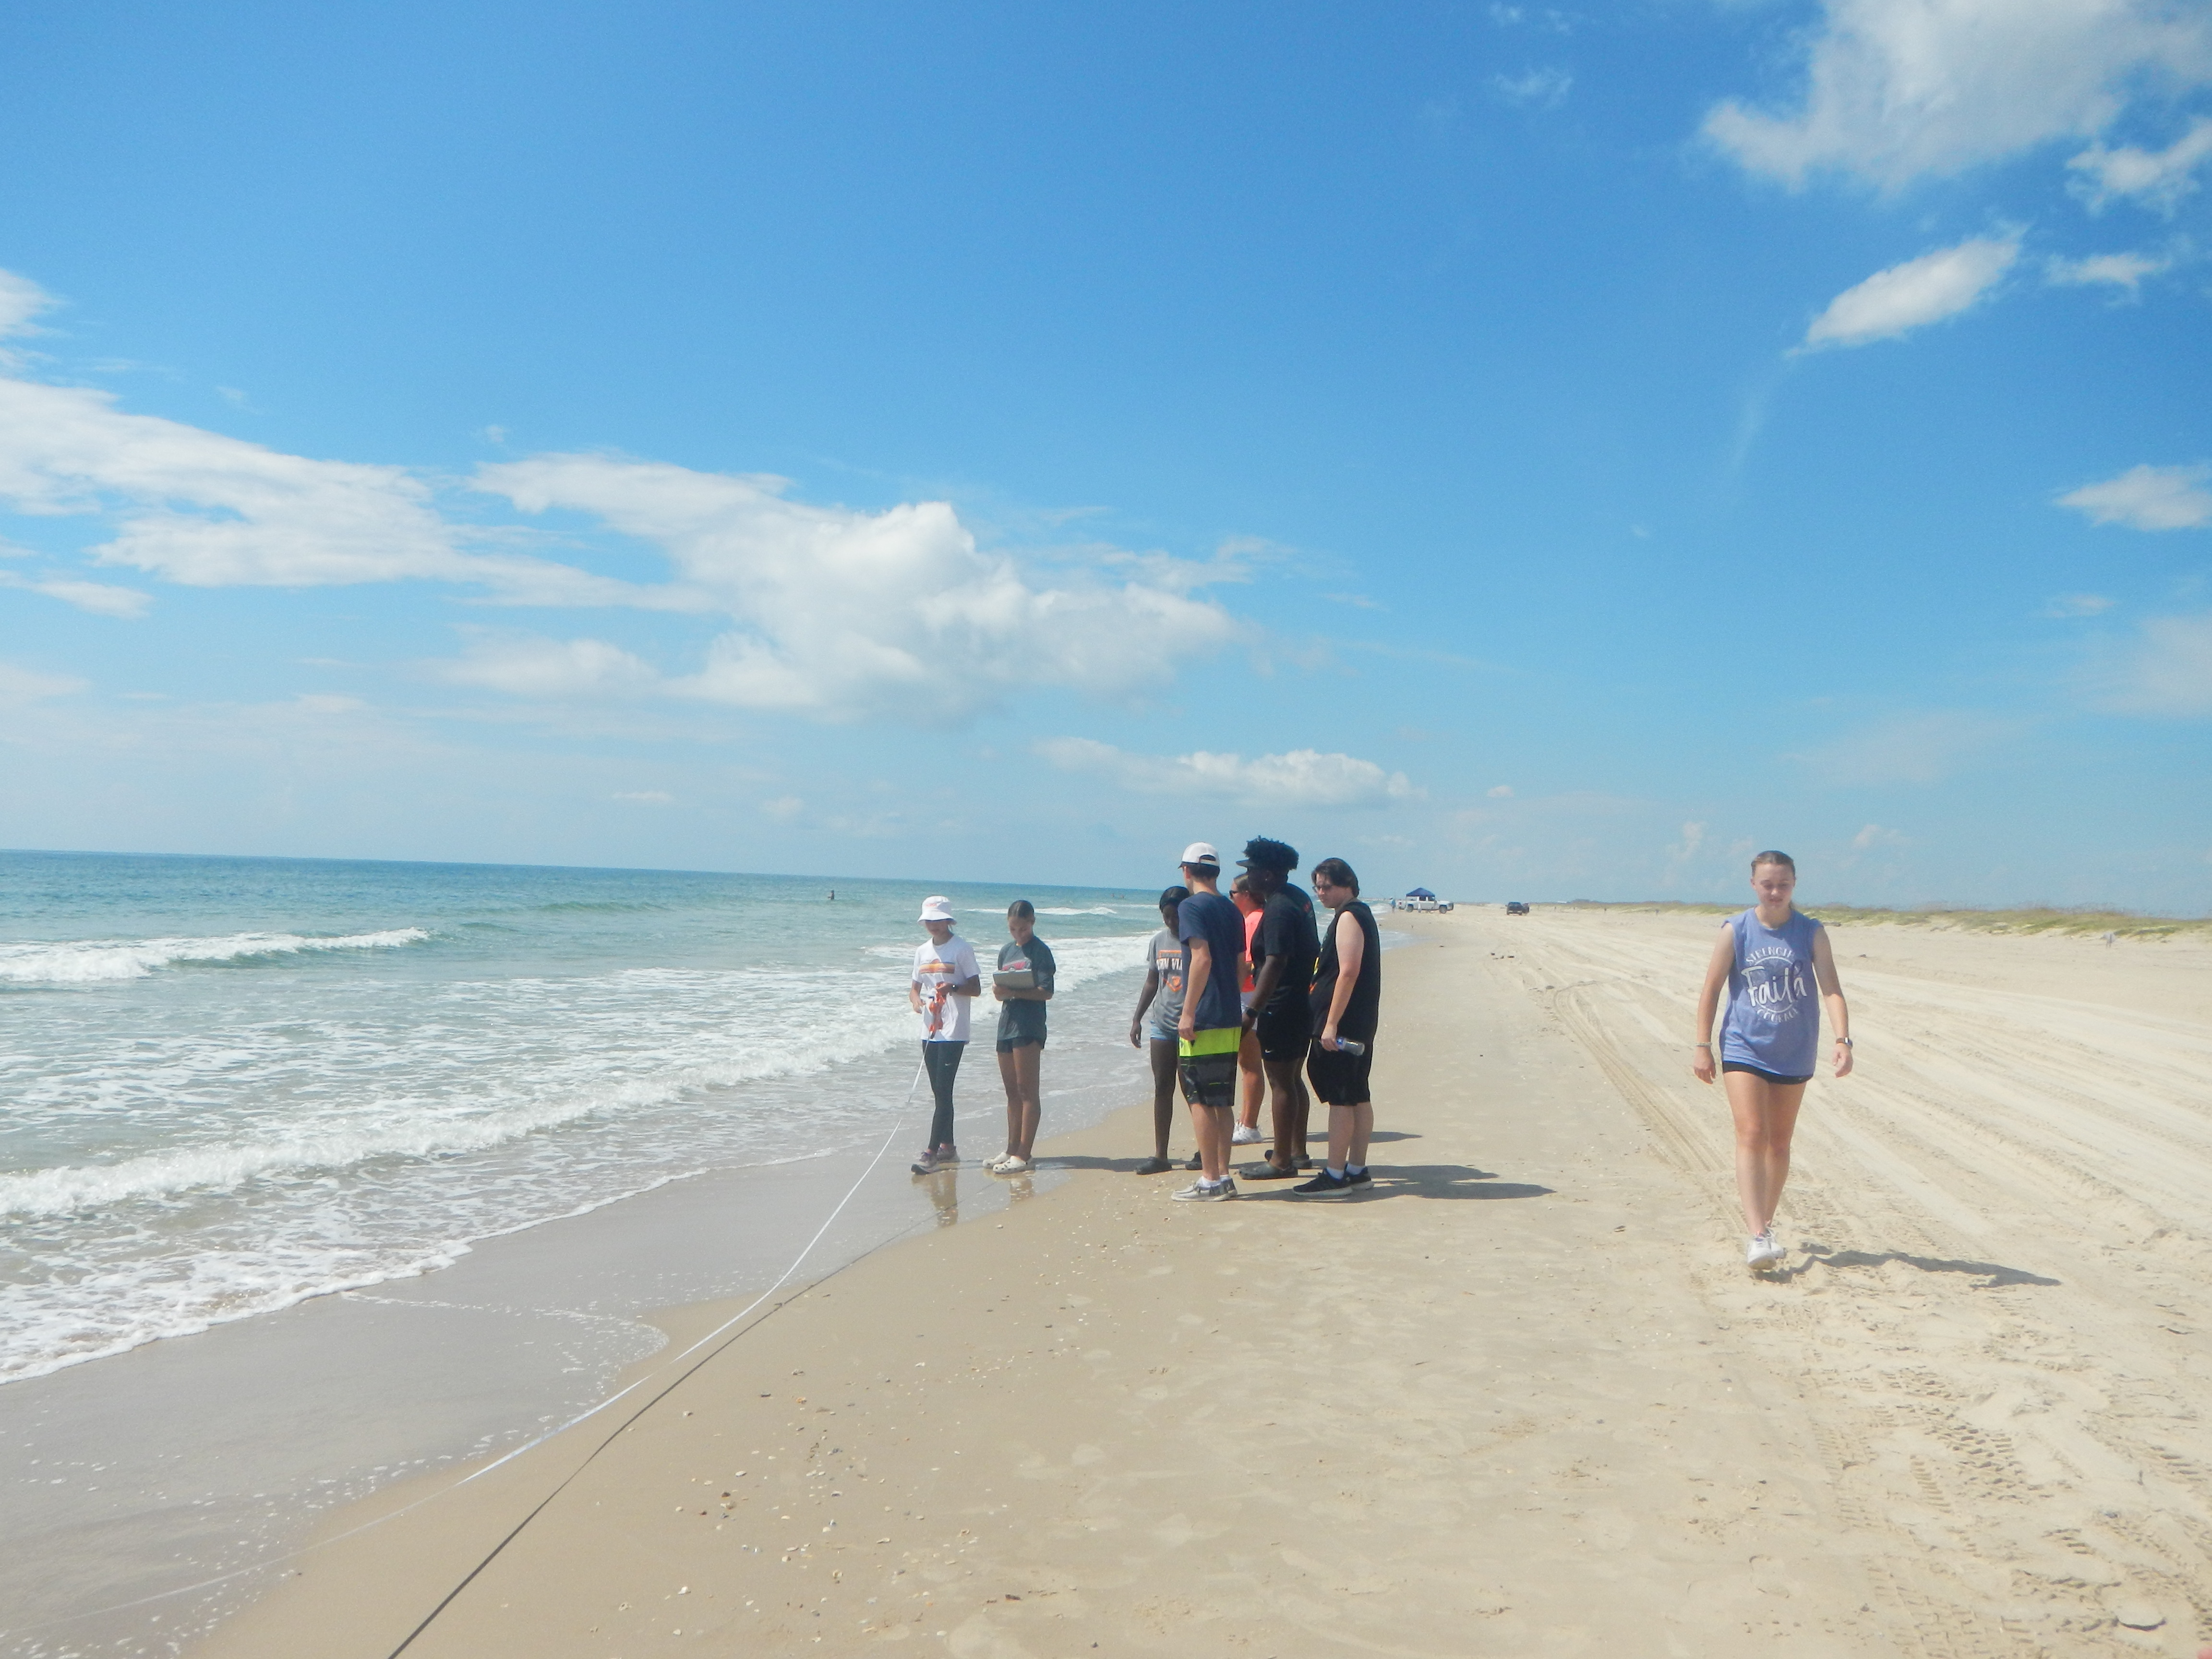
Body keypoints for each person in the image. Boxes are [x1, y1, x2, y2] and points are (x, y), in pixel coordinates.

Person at [1692, 850, 1853, 1269]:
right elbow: (1711, 989)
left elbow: (1831, 989)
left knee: (1779, 1143)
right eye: (1768, 884)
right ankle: (1757, 1235)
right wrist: (1702, 1045)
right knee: (1752, 1132)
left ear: (1794, 884)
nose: (1776, 891)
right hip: (1744, 1045)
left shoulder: (1811, 932)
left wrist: (1843, 1039)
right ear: (1754, 886)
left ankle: (1765, 1221)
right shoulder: (1737, 930)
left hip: (1794, 1048)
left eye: (1783, 884)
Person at [1292, 857, 1382, 1198]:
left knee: (1342, 1098)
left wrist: (1330, 1023)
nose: (1321, 893)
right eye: (1317, 887)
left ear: (1348, 885)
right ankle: (1357, 1169)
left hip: (1345, 1024)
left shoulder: (1349, 916)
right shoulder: (1359, 914)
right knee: (1358, 1094)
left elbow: (1348, 971)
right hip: (1359, 1022)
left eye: (1327, 886)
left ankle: (1335, 1174)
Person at [1238, 838, 1319, 1181]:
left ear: (1269, 874)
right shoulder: (1298, 898)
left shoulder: (1280, 909)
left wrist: (1252, 1011)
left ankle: (1282, 1160)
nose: (1247, 878)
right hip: (1300, 1003)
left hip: (1281, 1006)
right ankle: (1297, 1151)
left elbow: (1274, 963)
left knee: (1281, 1082)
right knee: (1292, 1079)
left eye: (1252, 871)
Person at [1171, 842, 1246, 1202]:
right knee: (1221, 1099)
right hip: (1230, 1013)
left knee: (1198, 1097)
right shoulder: (1232, 911)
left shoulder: (1191, 906)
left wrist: (1188, 1011)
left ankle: (1209, 1178)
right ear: (1215, 872)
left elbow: (1201, 959)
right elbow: (1241, 964)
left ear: (1187, 871)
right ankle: (1224, 1176)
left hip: (1205, 1016)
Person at [908, 896, 981, 1175]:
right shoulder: (922, 951)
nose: (933, 925)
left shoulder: (961, 949)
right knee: (938, 1092)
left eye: (938, 920)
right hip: (930, 1029)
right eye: (929, 920)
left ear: (948, 920)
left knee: (944, 1091)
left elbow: (975, 988)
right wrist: (917, 1002)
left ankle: (931, 1153)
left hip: (954, 1028)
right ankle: (948, 1147)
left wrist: (952, 988)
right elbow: (914, 988)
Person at [987, 901, 1056, 1174]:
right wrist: (1000, 991)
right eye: (1014, 929)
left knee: (1028, 1091)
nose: (1019, 934)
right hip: (1007, 1023)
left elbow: (1046, 992)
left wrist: (1015, 993)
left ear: (1033, 922)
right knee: (1011, 1092)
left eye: (1024, 928)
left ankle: (1025, 1154)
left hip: (1029, 1025)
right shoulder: (1006, 951)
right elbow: (1000, 988)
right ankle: (1012, 1148)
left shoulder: (1041, 952)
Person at [1127, 885, 1190, 1175]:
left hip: (1192, 1026)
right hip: (1162, 1025)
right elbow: (1153, 981)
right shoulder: (1158, 941)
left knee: (1193, 1090)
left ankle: (1205, 1149)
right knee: (1162, 1087)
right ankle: (1161, 1155)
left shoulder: (1198, 941)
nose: (1172, 922)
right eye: (1167, 916)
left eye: (1177, 916)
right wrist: (1137, 1018)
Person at [1227, 874, 1268, 1147]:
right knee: (1248, 1063)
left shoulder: (1252, 921)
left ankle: (1249, 1124)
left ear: (1246, 894)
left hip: (1248, 995)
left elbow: (1248, 965)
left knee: (1250, 1063)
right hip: (1253, 995)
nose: (1231, 899)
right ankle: (1244, 1121)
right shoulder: (1259, 917)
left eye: (1233, 893)